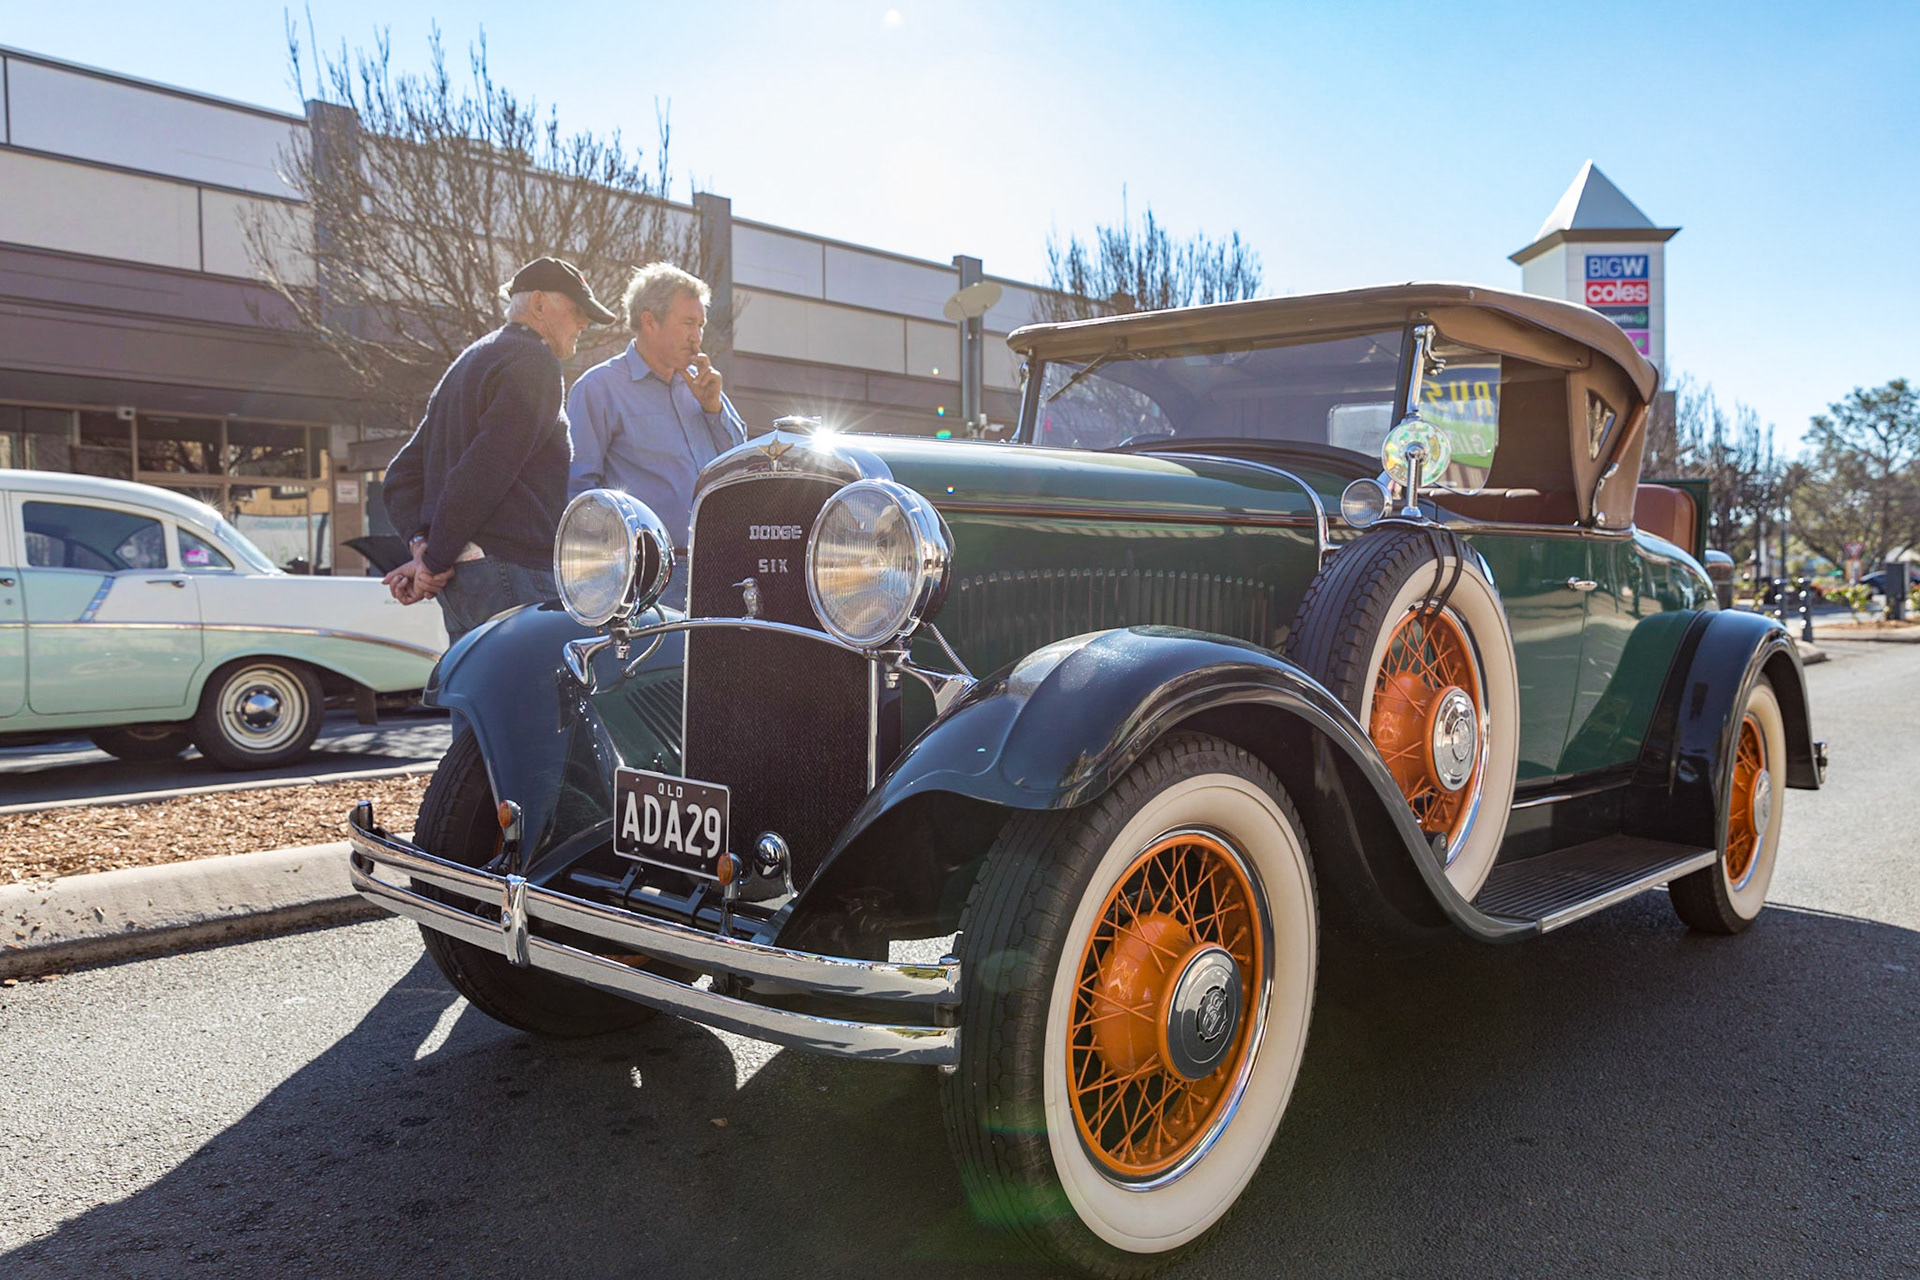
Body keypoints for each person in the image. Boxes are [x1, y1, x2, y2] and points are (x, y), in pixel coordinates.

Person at [382, 256, 617, 641]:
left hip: (463, 582)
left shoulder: (467, 362)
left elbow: (400, 477)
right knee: (540, 681)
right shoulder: (535, 361)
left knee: (475, 682)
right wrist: (432, 560)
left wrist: (424, 550)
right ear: (538, 303)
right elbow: (485, 470)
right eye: (577, 311)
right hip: (512, 574)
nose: (584, 324)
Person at [567, 263, 746, 606]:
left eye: (700, 325)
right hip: (647, 577)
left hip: (720, 568)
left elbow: (741, 464)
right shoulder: (598, 388)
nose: (697, 337)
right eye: (688, 323)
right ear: (649, 321)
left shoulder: (703, 386)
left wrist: (714, 410)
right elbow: (578, 492)